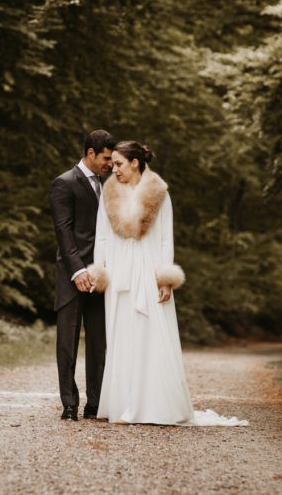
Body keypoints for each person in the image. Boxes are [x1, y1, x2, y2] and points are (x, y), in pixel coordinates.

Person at [88, 141, 247, 426]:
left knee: (151, 335)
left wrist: (164, 278)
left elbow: (164, 240)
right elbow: (101, 236)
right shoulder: (109, 192)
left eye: (119, 163)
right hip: (119, 274)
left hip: (148, 272)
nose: (114, 168)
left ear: (135, 163)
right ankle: (124, 405)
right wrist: (101, 270)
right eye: (112, 164)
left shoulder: (159, 194)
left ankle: (154, 406)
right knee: (122, 337)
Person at [50, 129, 116, 421]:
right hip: (72, 274)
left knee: (98, 342)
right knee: (68, 340)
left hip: (100, 275)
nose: (110, 164)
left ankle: (95, 404)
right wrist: (77, 270)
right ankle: (69, 404)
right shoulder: (64, 183)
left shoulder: (109, 185)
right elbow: (63, 232)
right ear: (91, 153)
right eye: (105, 158)